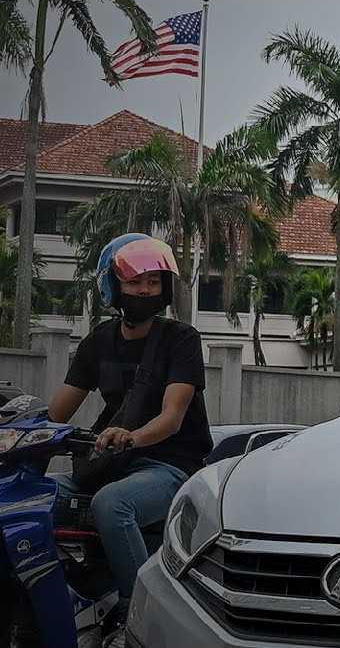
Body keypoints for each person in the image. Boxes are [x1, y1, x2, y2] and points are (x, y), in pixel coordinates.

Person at [47, 233, 213, 645]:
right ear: (113, 287)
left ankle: (140, 615)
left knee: (113, 504)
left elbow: (173, 417)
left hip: (169, 465)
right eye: (135, 282)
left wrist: (130, 437)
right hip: (109, 464)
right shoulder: (98, 342)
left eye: (153, 283)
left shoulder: (181, 340)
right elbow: (55, 415)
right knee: (32, 498)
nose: (144, 290)